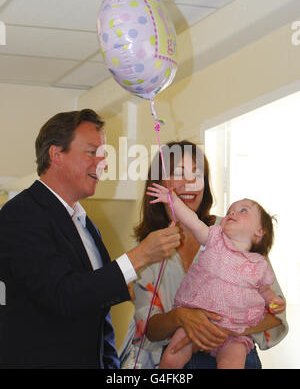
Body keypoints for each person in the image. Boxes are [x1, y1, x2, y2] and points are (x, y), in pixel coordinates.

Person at [0, 109, 180, 369]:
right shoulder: (21, 215)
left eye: (104, 155)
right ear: (56, 154)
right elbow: (63, 295)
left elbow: (95, 304)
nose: (103, 162)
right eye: (92, 152)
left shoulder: (85, 224)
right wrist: (140, 256)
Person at [119, 141, 288, 369]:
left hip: (235, 353)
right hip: (178, 355)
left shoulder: (236, 233)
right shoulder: (148, 248)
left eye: (197, 174)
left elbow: (275, 314)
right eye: (179, 173)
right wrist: (180, 316)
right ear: (158, 183)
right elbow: (149, 329)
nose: (189, 183)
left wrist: (226, 328)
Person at [147, 182, 285, 369]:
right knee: (172, 358)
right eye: (230, 210)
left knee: (233, 362)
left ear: (259, 232)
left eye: (243, 210)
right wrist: (173, 200)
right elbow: (192, 221)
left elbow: (265, 290)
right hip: (194, 326)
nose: (232, 213)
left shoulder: (258, 264)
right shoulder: (214, 238)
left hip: (234, 331)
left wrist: (274, 302)